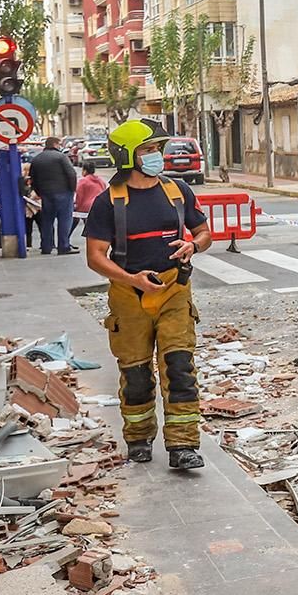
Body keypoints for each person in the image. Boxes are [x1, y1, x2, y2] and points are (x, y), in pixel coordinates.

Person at [84, 119, 211, 469]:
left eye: (157, 149)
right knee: (136, 373)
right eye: (148, 150)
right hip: (129, 297)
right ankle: (138, 439)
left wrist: (192, 245)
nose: (157, 155)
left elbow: (203, 233)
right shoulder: (108, 202)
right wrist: (133, 279)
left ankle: (183, 445)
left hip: (175, 291)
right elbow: (95, 256)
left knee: (179, 367)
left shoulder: (177, 191)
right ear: (127, 156)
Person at [29, 137, 80, 255]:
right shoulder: (61, 157)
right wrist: (72, 190)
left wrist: (39, 192)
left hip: (46, 194)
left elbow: (33, 178)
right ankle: (63, 246)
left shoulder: (37, 159)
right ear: (55, 144)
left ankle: (46, 247)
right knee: (64, 220)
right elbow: (71, 174)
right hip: (63, 192)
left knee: (47, 221)